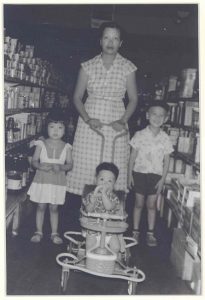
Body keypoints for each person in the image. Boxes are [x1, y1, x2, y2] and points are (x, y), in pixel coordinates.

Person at [67, 21, 138, 195]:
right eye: (106, 37)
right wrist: (88, 119)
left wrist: (123, 121)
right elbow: (76, 97)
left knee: (114, 162)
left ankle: (109, 211)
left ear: (120, 43)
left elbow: (134, 99)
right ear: (100, 41)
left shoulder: (128, 67)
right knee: (87, 163)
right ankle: (86, 209)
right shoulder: (87, 66)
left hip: (117, 121)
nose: (110, 42)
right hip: (90, 121)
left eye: (115, 38)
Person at [127, 101, 174, 246]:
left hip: (156, 176)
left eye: (161, 115)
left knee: (152, 205)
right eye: (154, 114)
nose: (157, 118)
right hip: (139, 173)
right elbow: (132, 157)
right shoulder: (139, 135)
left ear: (166, 119)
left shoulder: (166, 138)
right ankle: (135, 231)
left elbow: (167, 161)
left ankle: (150, 234)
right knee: (139, 203)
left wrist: (162, 179)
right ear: (148, 115)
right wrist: (129, 175)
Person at [28, 110, 73, 244]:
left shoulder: (67, 147)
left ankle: (54, 233)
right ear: (46, 127)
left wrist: (61, 167)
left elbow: (70, 165)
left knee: (54, 208)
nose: (55, 131)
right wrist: (40, 166)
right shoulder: (41, 144)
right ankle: (38, 231)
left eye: (60, 127)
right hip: (42, 181)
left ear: (65, 130)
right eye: (52, 127)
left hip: (57, 182)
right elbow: (34, 161)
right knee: (41, 206)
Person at [82, 162, 125, 256]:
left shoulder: (114, 198)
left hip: (110, 230)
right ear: (96, 180)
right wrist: (92, 202)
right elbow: (88, 210)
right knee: (89, 244)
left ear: (114, 184)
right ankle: (90, 260)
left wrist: (104, 194)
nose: (105, 183)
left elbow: (108, 207)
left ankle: (111, 262)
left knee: (116, 246)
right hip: (93, 229)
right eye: (101, 179)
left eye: (109, 181)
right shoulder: (91, 195)